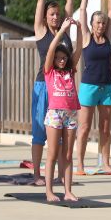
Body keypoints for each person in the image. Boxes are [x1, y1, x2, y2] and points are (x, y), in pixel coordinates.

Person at [31, 0, 74, 185]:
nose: (56, 17)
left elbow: (70, 3)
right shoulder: (41, 31)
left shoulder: (65, 32)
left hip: (63, 89)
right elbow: (40, 2)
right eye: (52, 14)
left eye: (58, 14)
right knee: (40, 131)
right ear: (46, 17)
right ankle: (37, 174)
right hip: (43, 85)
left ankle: (59, 174)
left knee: (61, 134)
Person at [76, 0, 111, 175]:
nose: (101, 25)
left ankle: (105, 163)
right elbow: (82, 11)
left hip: (107, 87)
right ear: (92, 25)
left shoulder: (107, 37)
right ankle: (80, 164)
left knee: (105, 128)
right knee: (84, 128)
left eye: (103, 23)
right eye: (98, 23)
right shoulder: (86, 37)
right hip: (89, 87)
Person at [43, 17, 82, 202]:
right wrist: (62, 29)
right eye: (58, 58)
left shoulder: (69, 70)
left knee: (67, 154)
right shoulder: (49, 71)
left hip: (71, 114)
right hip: (55, 114)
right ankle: (49, 191)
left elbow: (80, 49)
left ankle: (67, 190)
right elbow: (51, 49)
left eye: (63, 57)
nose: (60, 60)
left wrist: (80, 29)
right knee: (52, 154)